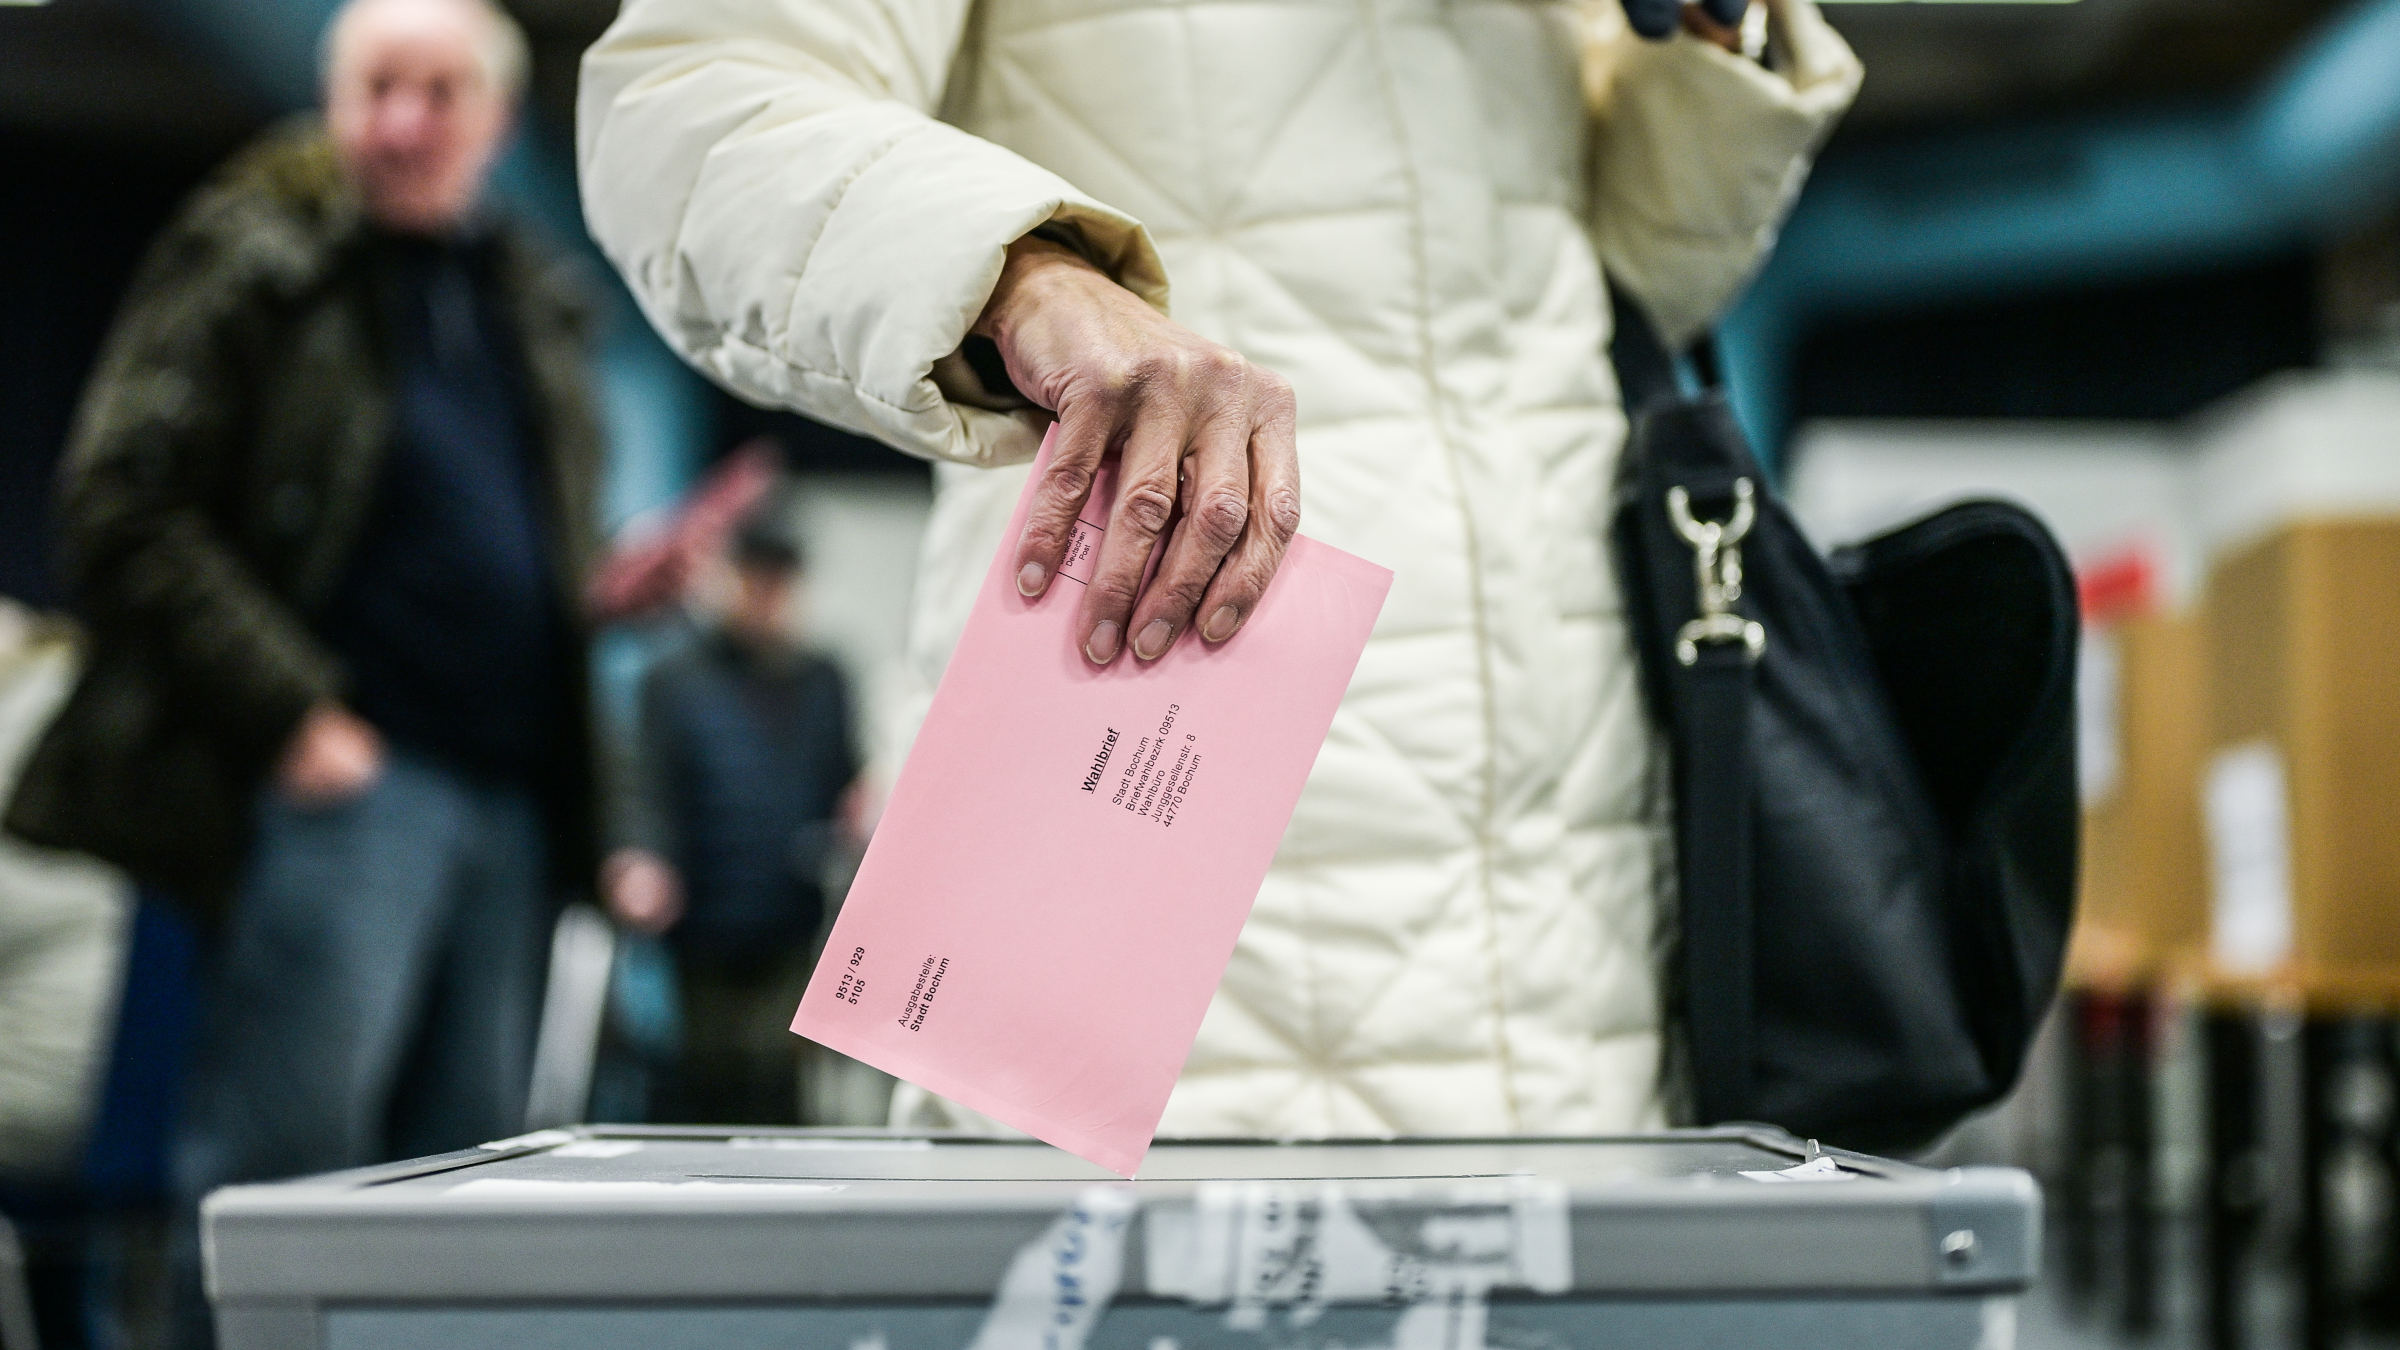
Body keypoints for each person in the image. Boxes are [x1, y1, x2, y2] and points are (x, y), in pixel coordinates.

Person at [577, 0, 1860, 1136]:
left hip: (1567, 911)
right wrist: (1020, 278)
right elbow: (680, 102)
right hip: (1165, 906)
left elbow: (1641, 274)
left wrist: (1716, 28)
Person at [6, 0, 604, 1226]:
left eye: (438, 93)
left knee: (469, 1185)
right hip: (347, 785)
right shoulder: (255, 248)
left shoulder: (524, 302)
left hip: (510, 803)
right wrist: (295, 719)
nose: (401, 123)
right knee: (291, 1179)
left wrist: (593, 593)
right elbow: (120, 503)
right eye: (375, 88)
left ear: (496, 118)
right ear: (333, 104)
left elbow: (508, 542)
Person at [604, 494, 864, 1126]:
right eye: (755, 574)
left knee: (781, 1089)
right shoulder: (672, 681)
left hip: (792, 919)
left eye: (780, 578)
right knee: (707, 1086)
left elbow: (847, 781)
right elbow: (644, 787)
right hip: (704, 923)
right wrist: (640, 860)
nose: (766, 593)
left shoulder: (825, 679)